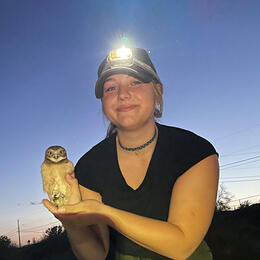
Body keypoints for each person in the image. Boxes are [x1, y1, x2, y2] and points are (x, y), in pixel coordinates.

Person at [43, 47, 219, 260]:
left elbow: (181, 245)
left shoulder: (194, 150)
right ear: (103, 102)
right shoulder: (89, 165)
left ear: (157, 91)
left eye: (135, 82)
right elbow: (96, 255)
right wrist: (72, 224)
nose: (123, 94)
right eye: (110, 88)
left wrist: (103, 212)